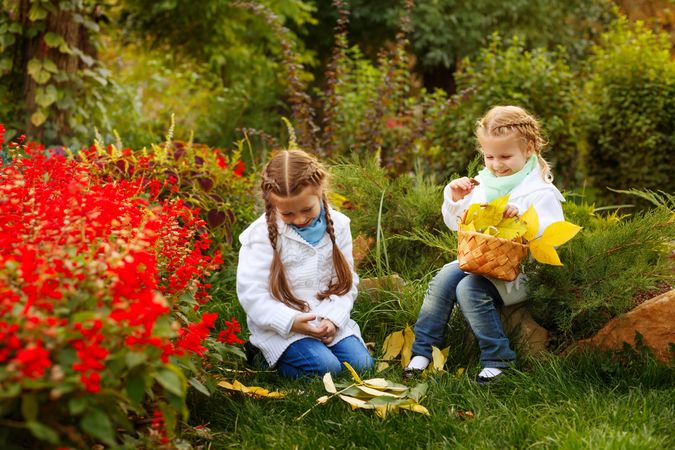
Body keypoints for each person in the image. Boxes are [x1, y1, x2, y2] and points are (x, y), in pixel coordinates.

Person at [405, 105, 565, 384]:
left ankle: (497, 357)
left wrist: (524, 223)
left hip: (520, 273)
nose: (496, 164)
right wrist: (455, 199)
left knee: (469, 287)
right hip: (481, 262)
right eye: (489, 156)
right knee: (445, 276)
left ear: (528, 149)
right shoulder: (484, 184)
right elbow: (459, 227)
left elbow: (551, 240)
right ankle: (423, 351)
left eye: (505, 156)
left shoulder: (541, 191)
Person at [237, 149, 373, 378]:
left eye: (307, 209)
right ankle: (260, 354)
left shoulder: (338, 226)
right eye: (288, 213)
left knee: (362, 365)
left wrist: (333, 318)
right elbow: (252, 295)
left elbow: (346, 282)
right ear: (273, 203)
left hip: (325, 319)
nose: (299, 219)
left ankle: (318, 350)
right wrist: (291, 322)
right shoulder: (260, 236)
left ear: (320, 191)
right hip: (282, 328)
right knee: (326, 368)